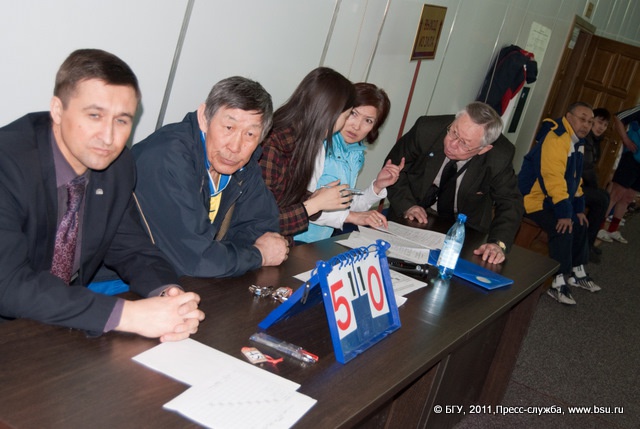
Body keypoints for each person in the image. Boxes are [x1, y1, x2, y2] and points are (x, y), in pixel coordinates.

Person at [0, 49, 204, 340]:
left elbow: (130, 247)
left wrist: (169, 296)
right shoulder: (7, 163)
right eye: (95, 115)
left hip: (58, 325)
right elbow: (8, 285)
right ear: (57, 110)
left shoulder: (117, 165)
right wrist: (127, 315)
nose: (108, 137)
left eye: (121, 120)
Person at [132, 77, 288, 278]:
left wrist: (221, 258)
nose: (235, 147)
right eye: (229, 128)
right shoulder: (167, 158)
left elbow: (262, 228)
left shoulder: (243, 165)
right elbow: (194, 259)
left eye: (250, 134)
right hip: (118, 280)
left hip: (175, 276)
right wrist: (258, 255)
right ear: (204, 118)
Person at [385, 101, 523, 265]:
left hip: (465, 228)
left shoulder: (499, 156)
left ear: (484, 149)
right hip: (413, 213)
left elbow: (510, 202)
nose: (452, 144)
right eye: (453, 132)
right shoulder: (427, 129)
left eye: (464, 143)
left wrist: (497, 243)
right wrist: (407, 205)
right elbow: (392, 168)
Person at [294, 83, 404, 243]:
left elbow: (345, 204)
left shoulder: (354, 154)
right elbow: (303, 206)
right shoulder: (319, 144)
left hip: (317, 242)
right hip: (292, 237)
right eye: (353, 114)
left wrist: (377, 187)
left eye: (368, 120)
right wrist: (351, 217)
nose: (356, 126)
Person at [260, 67, 356, 242]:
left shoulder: (302, 141)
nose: (349, 123)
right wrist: (315, 204)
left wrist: (314, 198)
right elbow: (261, 221)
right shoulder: (273, 144)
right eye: (348, 115)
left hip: (279, 245)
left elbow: (285, 197)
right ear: (332, 113)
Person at [519, 102, 601, 305]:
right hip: (534, 199)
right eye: (582, 119)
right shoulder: (556, 138)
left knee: (580, 222)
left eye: (590, 122)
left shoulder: (577, 141)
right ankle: (558, 281)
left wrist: (578, 209)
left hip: (552, 198)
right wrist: (565, 213)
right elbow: (553, 178)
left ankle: (577, 271)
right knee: (563, 227)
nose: (586, 125)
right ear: (569, 117)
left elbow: (575, 179)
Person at [597, 105, 640, 244]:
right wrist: (626, 139)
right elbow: (619, 117)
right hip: (632, 158)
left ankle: (613, 229)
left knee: (628, 197)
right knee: (616, 194)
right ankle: (598, 227)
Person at [581, 107, 611, 263]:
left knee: (605, 196)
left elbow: (590, 168)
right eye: (599, 122)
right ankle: (585, 246)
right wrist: (594, 187)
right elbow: (586, 169)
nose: (601, 127)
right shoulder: (585, 139)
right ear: (592, 121)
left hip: (580, 184)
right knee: (601, 199)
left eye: (605, 125)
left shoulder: (595, 141)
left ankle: (588, 243)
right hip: (571, 185)